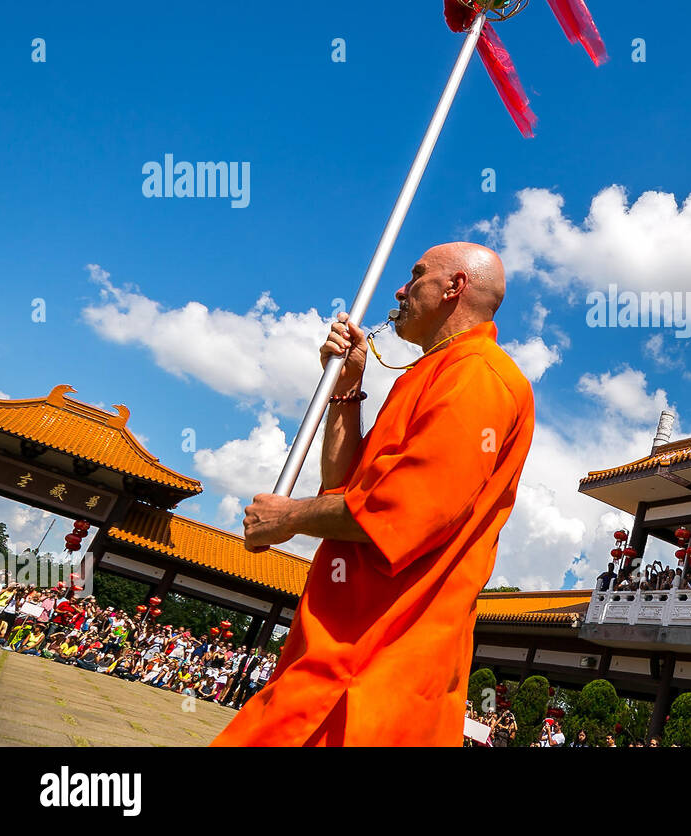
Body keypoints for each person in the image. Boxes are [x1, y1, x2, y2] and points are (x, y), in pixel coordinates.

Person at [213, 243, 535, 747]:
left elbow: (397, 513)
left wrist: (289, 516)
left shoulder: (480, 376)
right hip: (332, 648)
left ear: (455, 287)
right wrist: (347, 387)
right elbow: (346, 490)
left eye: (416, 276)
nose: (401, 290)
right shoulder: (425, 373)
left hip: (375, 666)